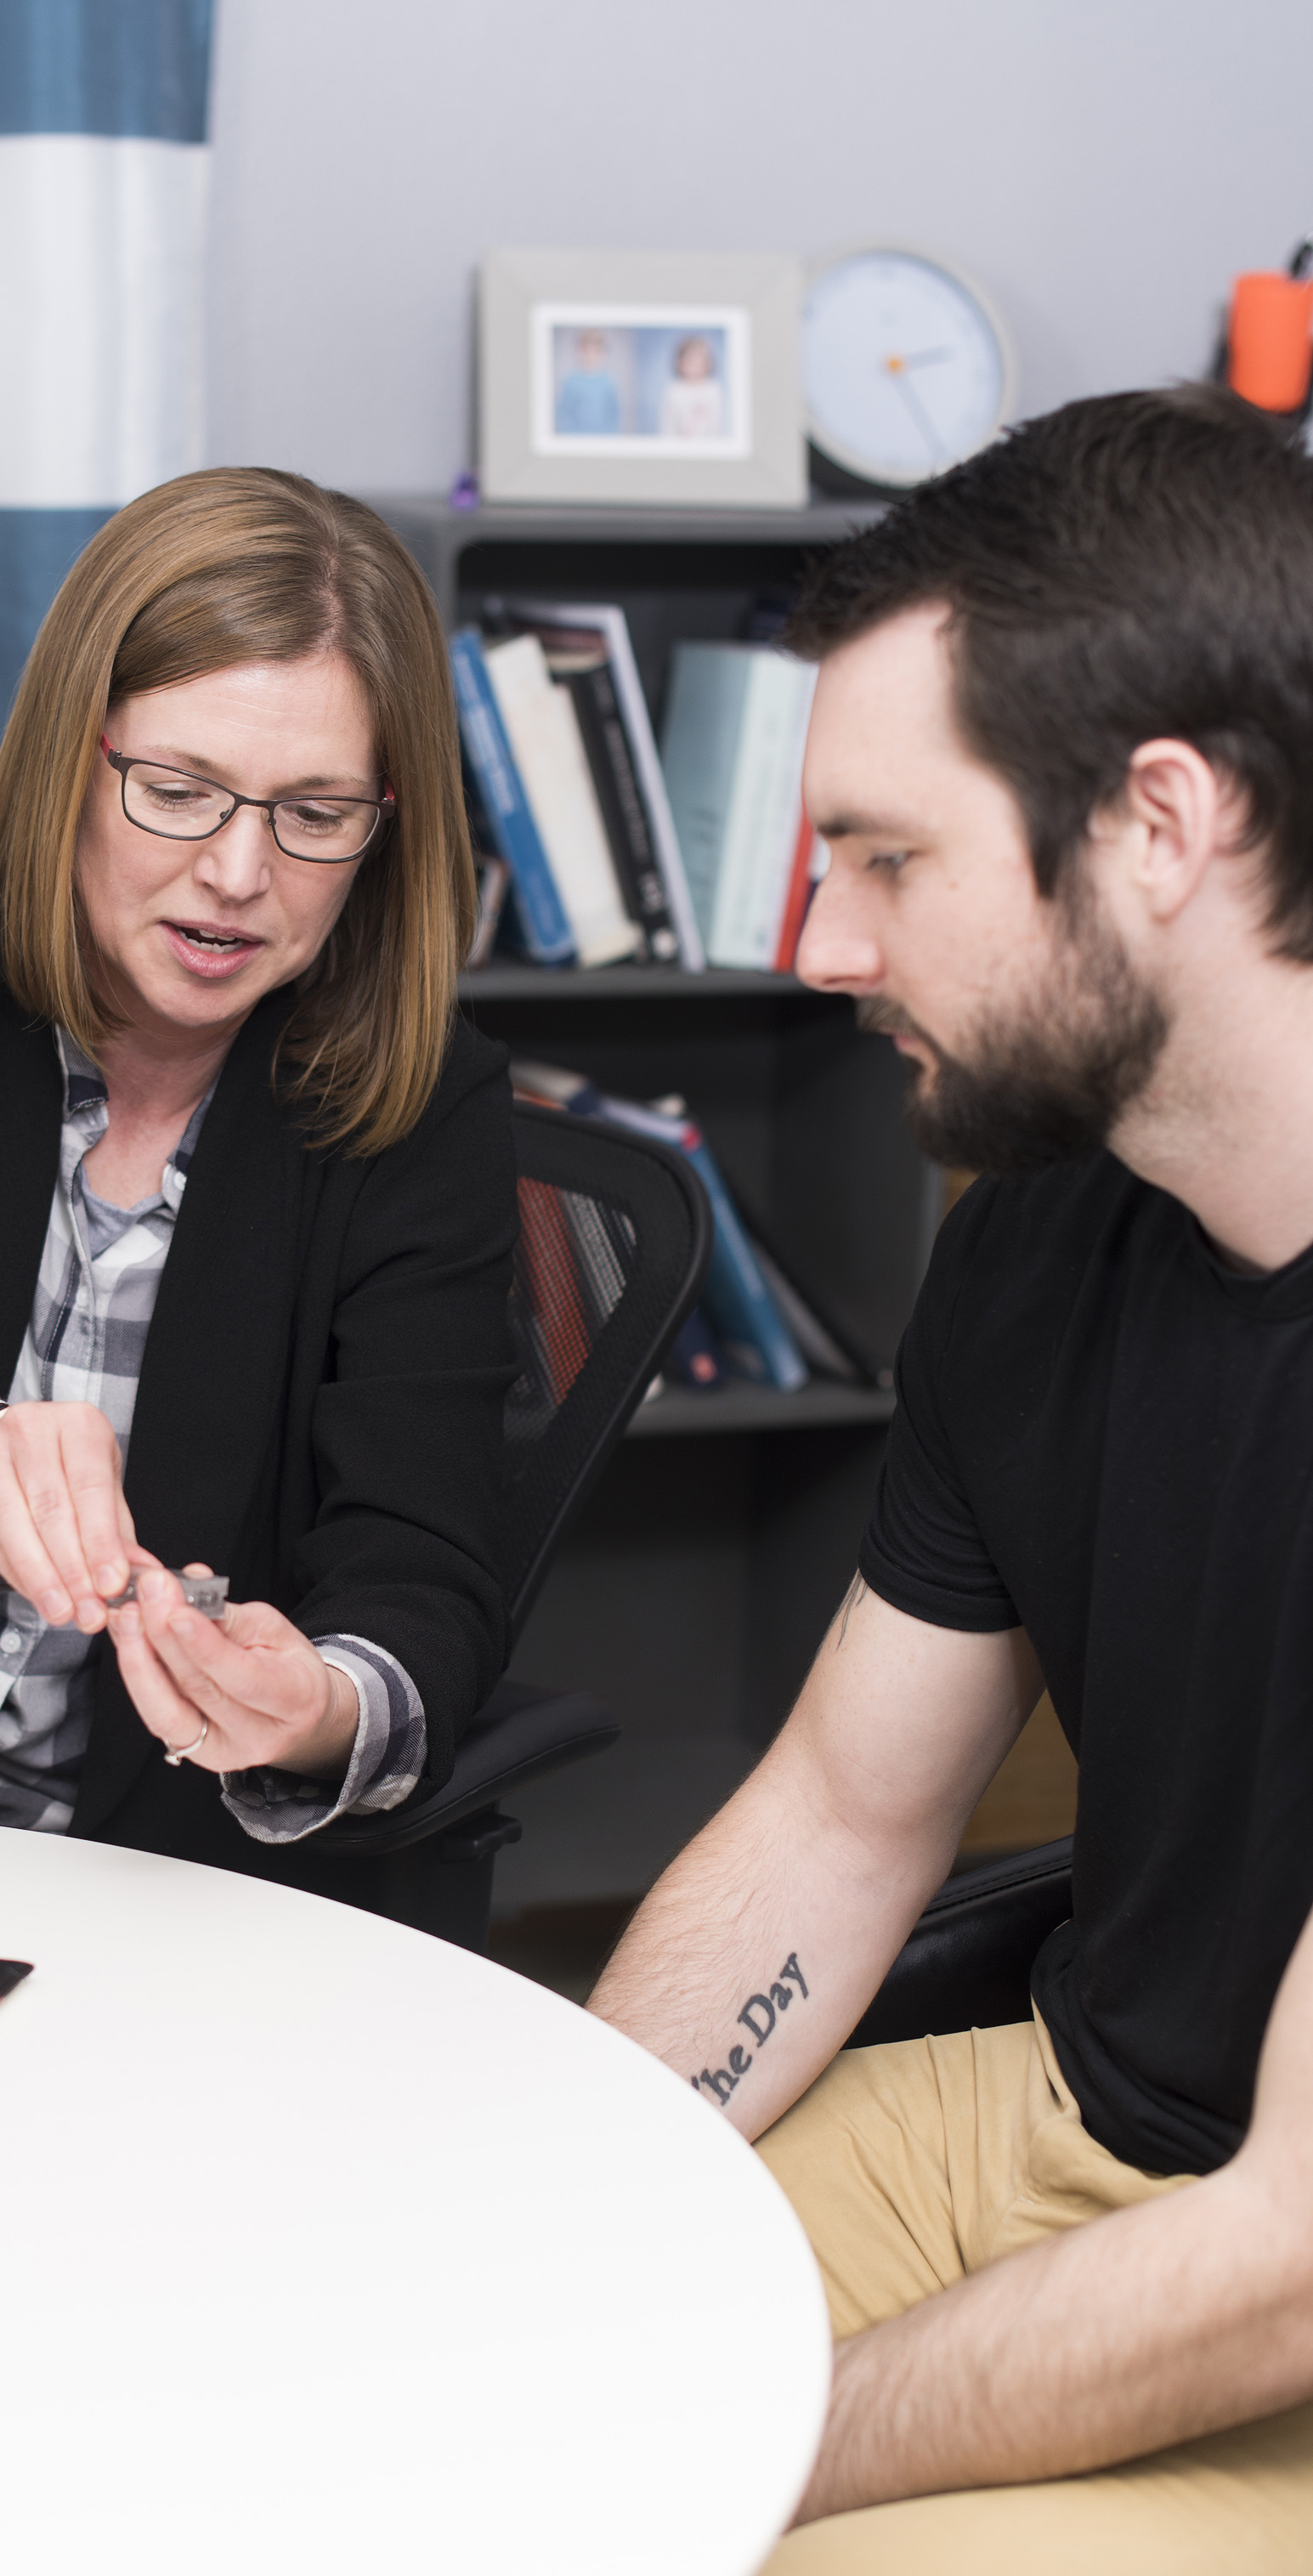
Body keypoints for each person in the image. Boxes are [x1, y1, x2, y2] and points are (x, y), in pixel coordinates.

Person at [590, 388, 1313, 2568]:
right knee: (446, 2347)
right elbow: (844, 1814)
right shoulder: (1039, 1236)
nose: (820, 947)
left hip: (1279, 2265)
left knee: (721, 2529)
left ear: (1159, 824)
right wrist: (563, 2176)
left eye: (888, 859)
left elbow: (1288, 2247)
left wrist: (766, 2444)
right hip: (1071, 2120)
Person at [0, 468, 518, 1928]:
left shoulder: (426, 1105)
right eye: (180, 790)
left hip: (151, 1868)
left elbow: (425, 1562)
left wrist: (315, 1701)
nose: (240, 873)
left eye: (316, 813)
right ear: (76, 756)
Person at [554, 328, 622, 436]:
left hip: (603, 440)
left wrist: (608, 438)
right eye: (587, 351)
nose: (591, 356)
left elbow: (613, 414)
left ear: (603, 354)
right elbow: (564, 413)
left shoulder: (608, 381)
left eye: (596, 352)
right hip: (576, 440)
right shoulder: (571, 381)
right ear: (579, 352)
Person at [658, 332, 725, 440]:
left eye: (699, 362)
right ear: (679, 363)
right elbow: (667, 425)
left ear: (708, 364)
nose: (695, 367)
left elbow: (717, 424)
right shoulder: (673, 390)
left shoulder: (713, 389)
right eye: (690, 362)